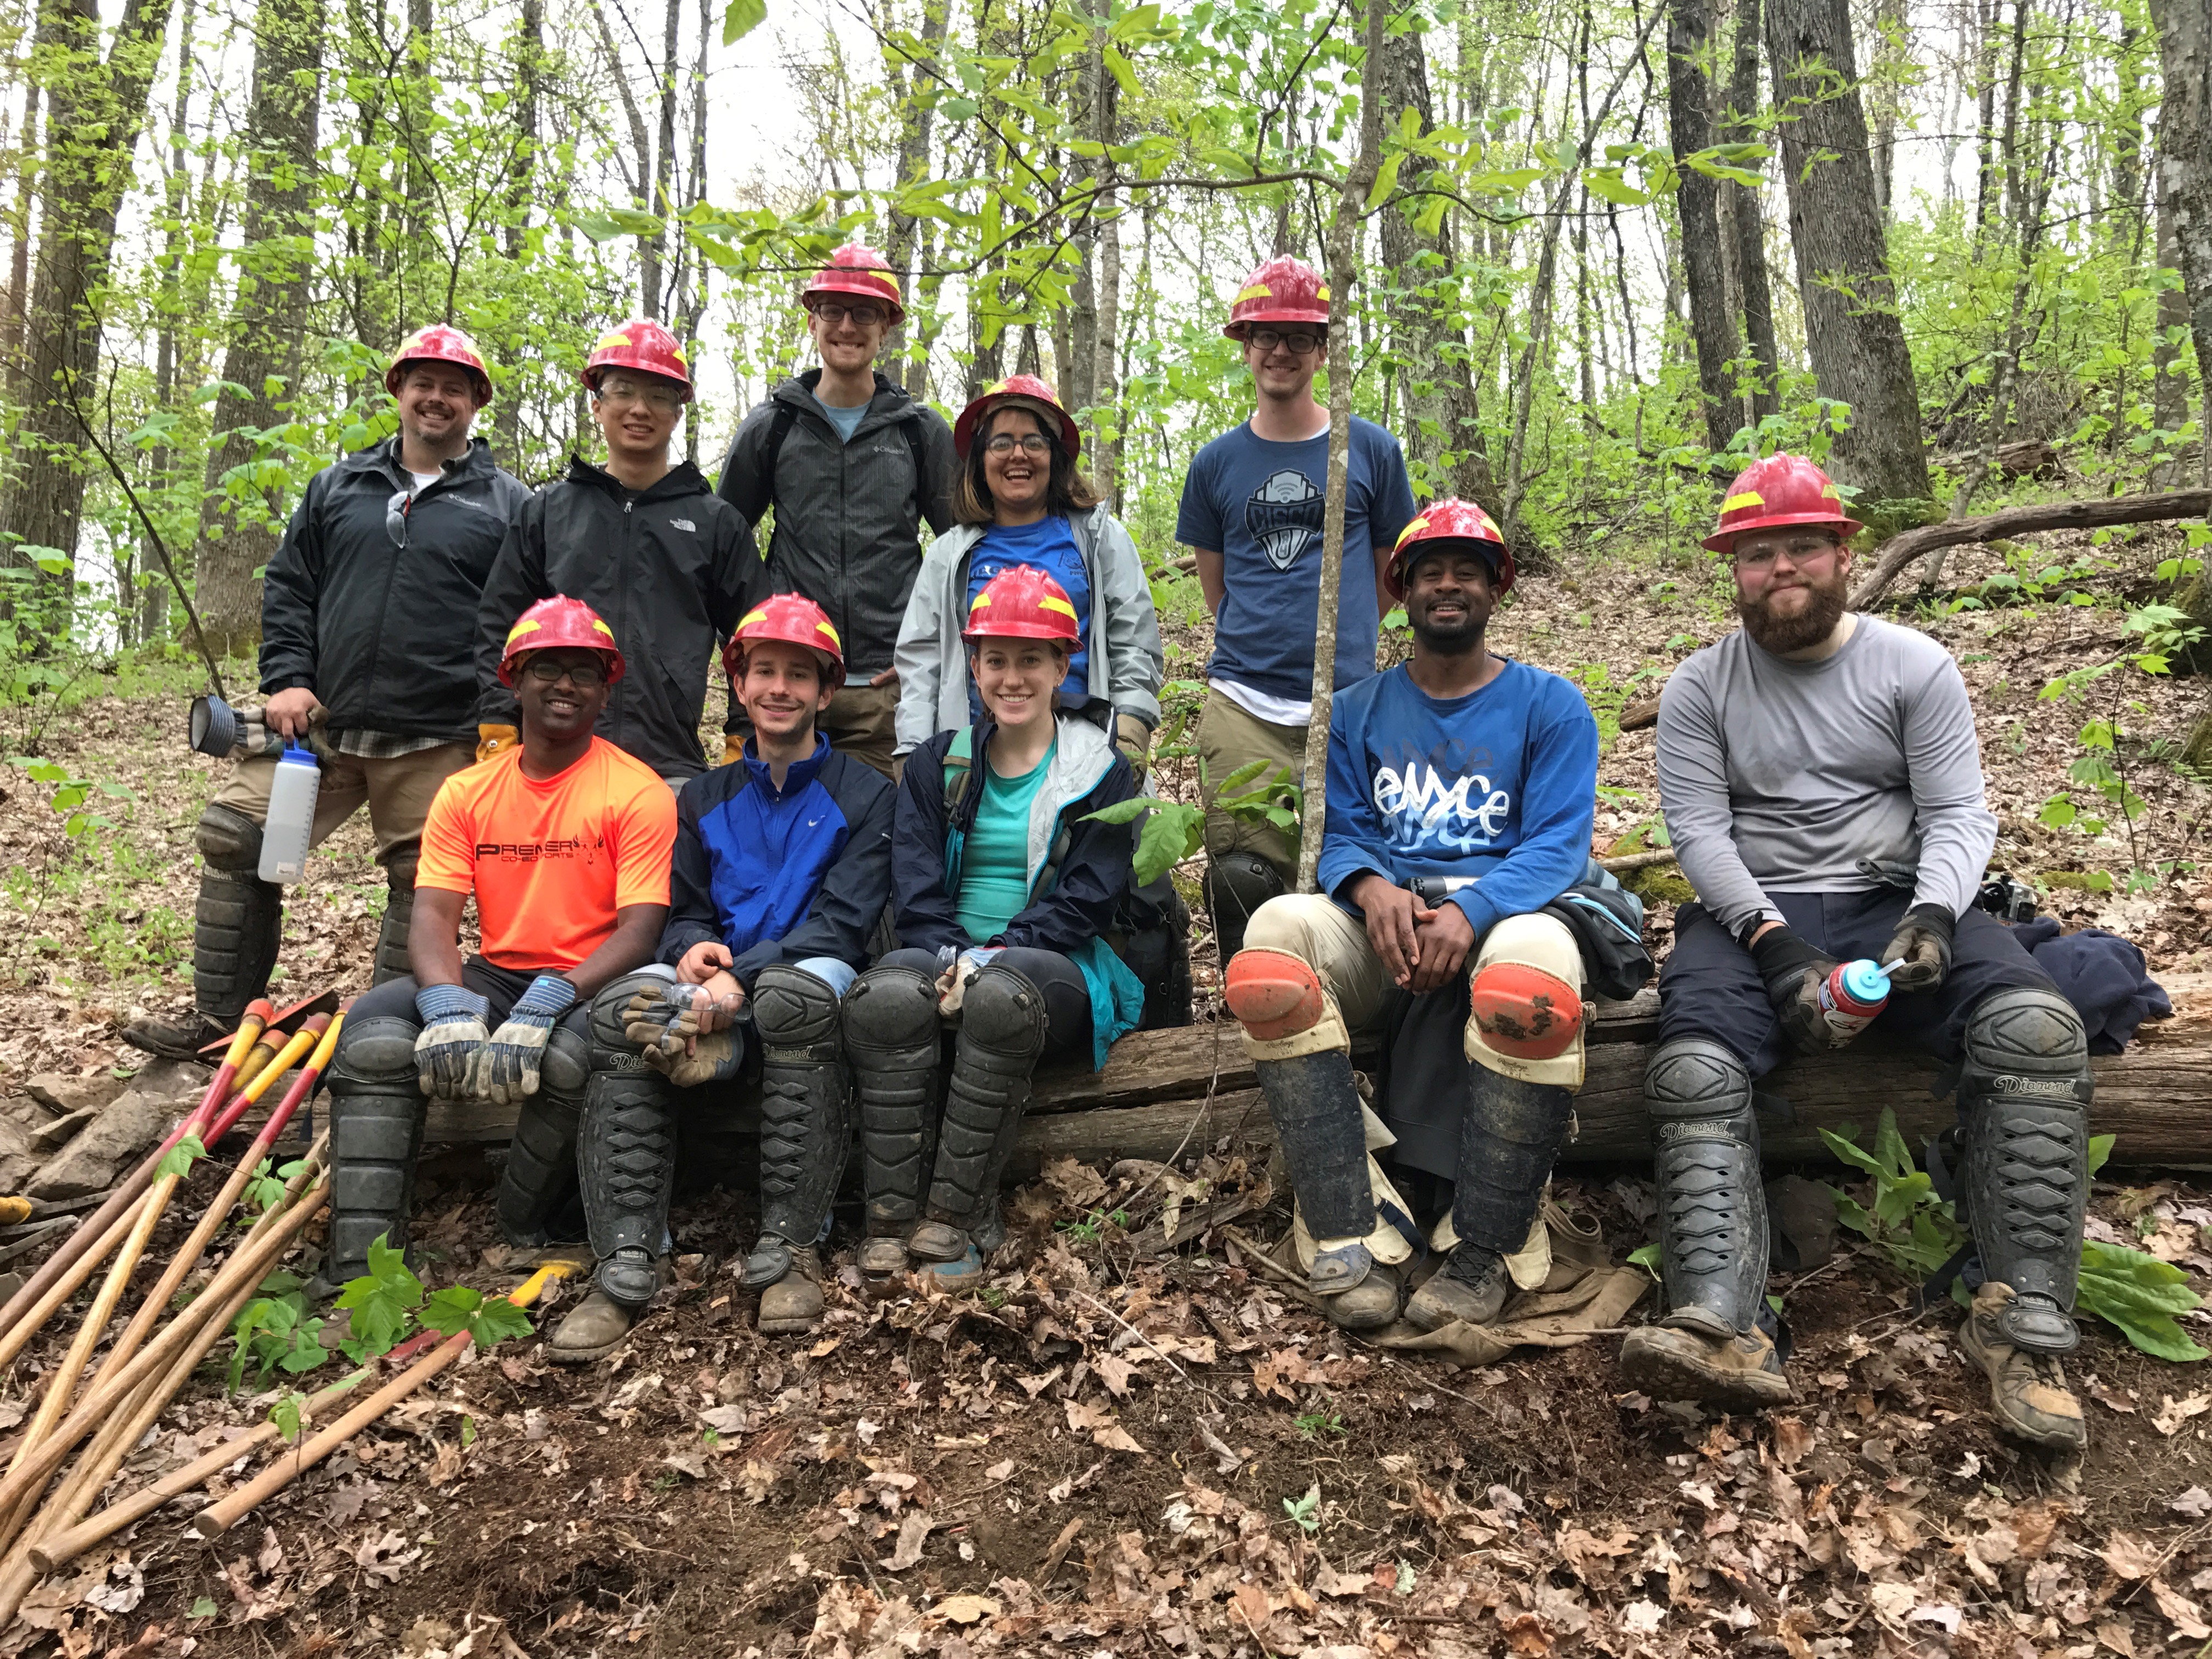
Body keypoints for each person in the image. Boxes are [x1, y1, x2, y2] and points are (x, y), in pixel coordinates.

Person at [1626, 452, 2091, 1451]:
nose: (1779, 568)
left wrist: (1931, 915)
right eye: (1757, 555)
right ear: (1733, 569)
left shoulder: (1910, 664)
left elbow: (1959, 809)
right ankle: (1722, 1317)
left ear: (1843, 554)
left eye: (1800, 547)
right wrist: (1771, 940)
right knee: (1695, 1065)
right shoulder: (1699, 684)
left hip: (1895, 893)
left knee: (2035, 1030)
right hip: (1752, 907)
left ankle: (2024, 1320)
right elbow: (1699, 833)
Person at [1218, 501, 1600, 1330]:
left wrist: (1473, 906)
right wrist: (1368, 886)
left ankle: (1491, 1239)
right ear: (1404, 591)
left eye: (1467, 569)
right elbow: (1344, 831)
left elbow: (1560, 845)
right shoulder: (1358, 709)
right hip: (1383, 935)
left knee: (1534, 959)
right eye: (1429, 572)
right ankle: (1345, 1218)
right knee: (1275, 939)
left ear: (1497, 586)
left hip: (1499, 926)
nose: (1448, 585)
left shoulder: (1552, 706)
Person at [126, 326, 528, 1059]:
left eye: (454, 386)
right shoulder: (337, 486)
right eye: (422, 382)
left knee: (424, 885)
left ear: (477, 401)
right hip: (323, 735)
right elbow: (288, 588)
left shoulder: (509, 505)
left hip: (438, 738)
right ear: (398, 391)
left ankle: (383, 1045)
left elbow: (523, 625)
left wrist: (500, 724)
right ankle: (219, 1027)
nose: (436, 397)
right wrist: (286, 678)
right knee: (237, 837)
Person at [316, 597, 676, 1310]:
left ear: (607, 690)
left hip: (596, 979)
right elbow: (432, 916)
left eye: (583, 672)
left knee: (572, 1059)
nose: (564, 685)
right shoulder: (467, 791)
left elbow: (641, 931)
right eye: (547, 669)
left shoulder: (637, 791)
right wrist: (446, 1001)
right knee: (372, 1036)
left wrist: (557, 996)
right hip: (497, 974)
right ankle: (361, 1267)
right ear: (515, 680)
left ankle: (530, 1227)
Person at [559, 595, 895, 1355]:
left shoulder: (868, 793)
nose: (780, 689)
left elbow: (843, 921)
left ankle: (790, 1251)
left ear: (827, 691)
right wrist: (692, 949)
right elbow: (681, 908)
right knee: (624, 1010)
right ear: (738, 686)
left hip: (806, 975)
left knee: (792, 998)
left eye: (798, 675)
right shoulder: (702, 797)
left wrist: (735, 979)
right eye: (763, 672)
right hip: (717, 979)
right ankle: (623, 1265)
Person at [843, 567, 1146, 1286]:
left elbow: (1090, 896)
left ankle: (958, 1216)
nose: (1012, 677)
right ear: (974, 665)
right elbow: (912, 889)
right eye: (997, 659)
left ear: (1062, 665)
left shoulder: (1100, 772)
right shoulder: (934, 765)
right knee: (886, 995)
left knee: (998, 992)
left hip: (1057, 965)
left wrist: (997, 953)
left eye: (1031, 659)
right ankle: (888, 1221)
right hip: (941, 950)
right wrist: (951, 954)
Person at [1176, 254, 1418, 960]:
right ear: (1245, 346)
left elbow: (1386, 573)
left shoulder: (1369, 449)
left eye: (1298, 337)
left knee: (1348, 876)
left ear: (1322, 350)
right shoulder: (1216, 463)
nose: (1280, 350)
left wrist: (1345, 646)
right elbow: (1217, 586)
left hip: (1349, 707)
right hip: (1243, 708)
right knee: (1244, 878)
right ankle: (1258, 1021)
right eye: (1265, 335)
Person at [475, 319, 754, 783]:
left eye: (659, 396)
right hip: (549, 765)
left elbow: (753, 640)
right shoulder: (548, 513)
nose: (639, 409)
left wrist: (745, 741)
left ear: (678, 411)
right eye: (623, 391)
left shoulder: (716, 523)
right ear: (597, 404)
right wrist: (499, 726)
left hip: (666, 766)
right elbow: (498, 626)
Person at [716, 244, 958, 778]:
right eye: (833, 311)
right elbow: (721, 553)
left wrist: (932, 650)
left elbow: (965, 554)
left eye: (865, 313)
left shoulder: (919, 432)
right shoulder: (772, 428)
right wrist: (752, 657)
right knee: (789, 851)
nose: (847, 326)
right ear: (812, 320)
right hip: (792, 684)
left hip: (892, 695)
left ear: (887, 326)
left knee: (887, 849)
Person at [894, 374, 1163, 770]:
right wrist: (913, 752)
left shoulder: (1100, 538)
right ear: (981, 458)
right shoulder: (949, 555)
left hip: (1086, 754)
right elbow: (921, 662)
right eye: (1001, 443)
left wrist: (1131, 729)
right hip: (974, 761)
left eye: (1034, 442)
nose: (1017, 455)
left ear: (1055, 455)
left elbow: (1134, 641)